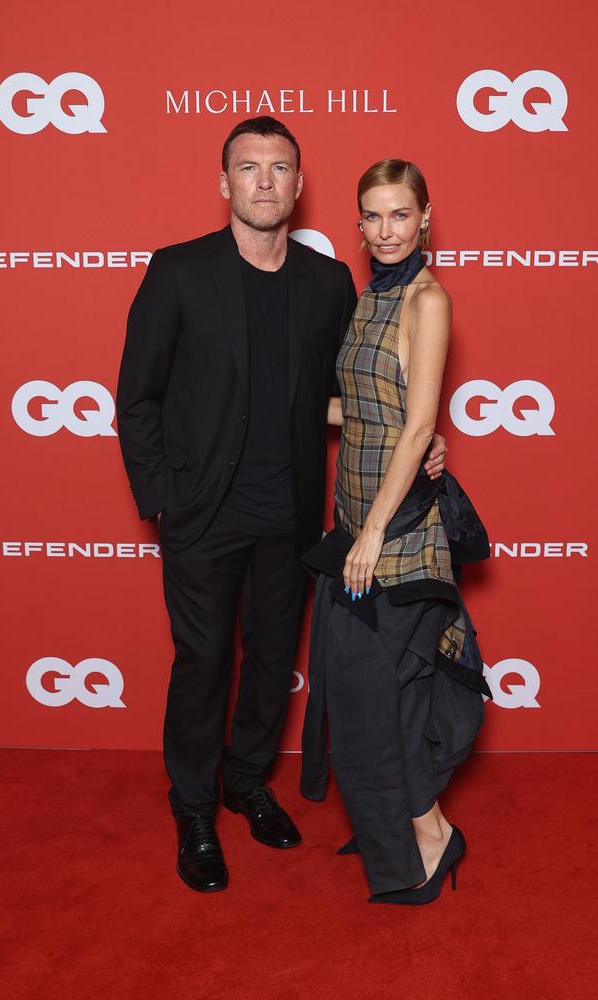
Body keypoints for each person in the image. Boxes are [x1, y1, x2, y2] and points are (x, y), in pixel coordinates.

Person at [116, 121, 447, 894]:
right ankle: (195, 807)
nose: (264, 182)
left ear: (299, 186)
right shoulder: (177, 272)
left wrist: (418, 436)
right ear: (224, 182)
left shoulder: (326, 281)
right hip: (202, 513)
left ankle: (246, 780)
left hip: (292, 512)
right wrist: (163, 499)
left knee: (271, 659)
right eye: (248, 168)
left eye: (279, 169)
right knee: (203, 663)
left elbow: (352, 395)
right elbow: (137, 398)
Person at [300, 159, 490, 905]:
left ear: (425, 217)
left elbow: (417, 428)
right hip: (355, 518)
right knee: (371, 697)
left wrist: (373, 532)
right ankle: (406, 823)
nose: (385, 232)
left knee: (388, 694)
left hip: (399, 528)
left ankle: (430, 833)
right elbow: (359, 411)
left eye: (399, 216)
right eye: (372, 218)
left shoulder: (426, 300)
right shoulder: (366, 299)